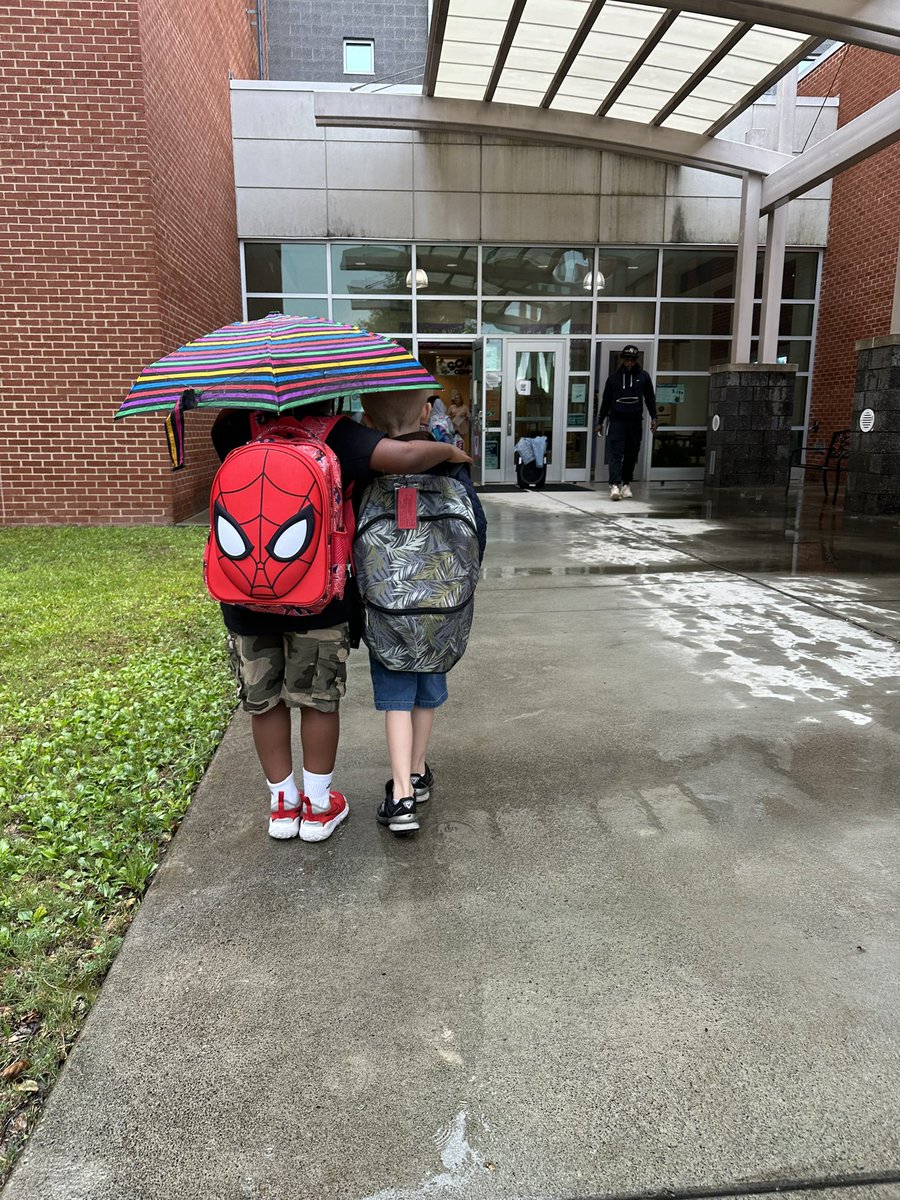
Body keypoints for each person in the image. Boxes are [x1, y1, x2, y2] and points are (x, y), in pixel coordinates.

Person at [210, 401, 472, 844]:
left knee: (264, 702)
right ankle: (317, 807)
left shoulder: (234, 427)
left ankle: (282, 805)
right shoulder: (338, 433)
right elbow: (406, 456)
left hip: (245, 597)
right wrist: (451, 452)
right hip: (318, 601)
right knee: (318, 700)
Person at [359, 390, 487, 837]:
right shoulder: (450, 462)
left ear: (367, 417)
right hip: (441, 602)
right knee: (428, 685)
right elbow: (478, 529)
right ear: (427, 411)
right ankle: (416, 771)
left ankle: (401, 795)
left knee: (397, 695)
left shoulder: (368, 465)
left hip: (388, 605)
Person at [597, 345, 658, 501]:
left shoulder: (643, 377)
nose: (629, 363)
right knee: (615, 453)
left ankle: (626, 484)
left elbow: (650, 398)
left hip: (635, 420)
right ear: (623, 360)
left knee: (631, 453)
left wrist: (654, 417)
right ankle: (614, 485)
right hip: (617, 420)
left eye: (632, 360)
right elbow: (606, 401)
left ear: (636, 360)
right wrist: (600, 421)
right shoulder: (613, 378)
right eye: (627, 360)